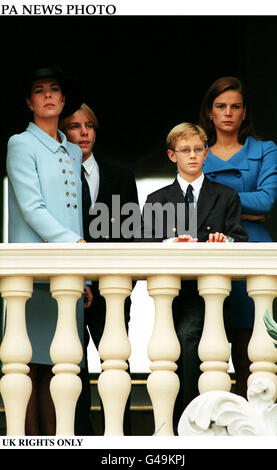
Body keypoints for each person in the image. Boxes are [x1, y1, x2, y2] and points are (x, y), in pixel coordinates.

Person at [140, 122, 248, 432]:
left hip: (212, 293)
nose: (193, 155)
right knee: (173, 357)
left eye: (199, 149)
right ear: (172, 155)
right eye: (185, 150)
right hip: (172, 295)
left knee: (200, 352)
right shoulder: (158, 199)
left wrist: (222, 241)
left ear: (206, 153)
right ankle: (180, 425)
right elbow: (145, 242)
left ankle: (197, 425)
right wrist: (169, 243)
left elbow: (239, 238)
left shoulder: (225, 196)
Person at [6, 64, 90, 435]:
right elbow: (32, 207)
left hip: (67, 273)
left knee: (62, 368)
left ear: (63, 98)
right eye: (39, 90)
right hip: (33, 274)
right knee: (27, 369)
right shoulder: (20, 143)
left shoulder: (72, 150)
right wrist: (75, 245)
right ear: (29, 102)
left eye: (54, 89)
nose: (48, 96)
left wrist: (83, 271)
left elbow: (75, 217)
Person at [199, 76, 277, 397]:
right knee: (210, 352)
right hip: (211, 252)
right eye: (221, 106)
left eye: (235, 106)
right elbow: (192, 206)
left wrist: (215, 196)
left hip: (253, 252)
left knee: (254, 353)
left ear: (245, 112)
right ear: (210, 112)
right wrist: (245, 202)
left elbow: (266, 201)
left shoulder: (265, 149)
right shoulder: (198, 150)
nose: (228, 113)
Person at [59, 103, 139, 435]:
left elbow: (132, 233)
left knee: (116, 365)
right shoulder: (57, 176)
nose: (84, 132)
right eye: (75, 126)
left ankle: (122, 438)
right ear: (63, 131)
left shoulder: (120, 174)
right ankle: (80, 438)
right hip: (72, 286)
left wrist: (121, 284)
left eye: (89, 125)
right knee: (73, 368)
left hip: (111, 288)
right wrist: (82, 278)